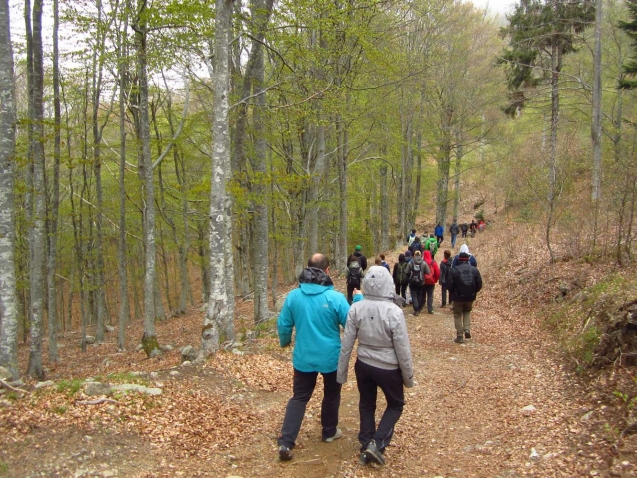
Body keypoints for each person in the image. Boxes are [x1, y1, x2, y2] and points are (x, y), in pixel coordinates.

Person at [337, 266, 414, 466]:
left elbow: (347, 343)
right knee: (396, 404)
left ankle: (366, 442)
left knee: (367, 403)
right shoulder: (394, 312)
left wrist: (342, 373)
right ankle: (377, 443)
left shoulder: (356, 308)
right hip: (388, 368)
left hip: (363, 364)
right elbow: (402, 348)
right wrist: (408, 378)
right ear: (389, 283)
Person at [277, 254, 350, 461]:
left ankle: (286, 441)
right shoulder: (335, 298)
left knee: (299, 397)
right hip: (331, 358)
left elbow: (283, 325)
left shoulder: (293, 297)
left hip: (304, 357)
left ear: (307, 269)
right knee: (332, 395)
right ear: (327, 271)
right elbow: (351, 324)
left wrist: (285, 342)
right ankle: (328, 432)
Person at [448, 252, 483, 343]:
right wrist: (473, 292)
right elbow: (479, 284)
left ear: (459, 260)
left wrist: (453, 294)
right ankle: (467, 329)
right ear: (468, 260)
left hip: (457, 297)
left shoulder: (454, 270)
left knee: (457, 315)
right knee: (467, 312)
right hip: (470, 297)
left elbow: (450, 285)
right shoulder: (474, 270)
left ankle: (459, 335)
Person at [404, 250, 430, 316]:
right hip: (421, 282)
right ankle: (419, 307)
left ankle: (416, 309)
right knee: (420, 294)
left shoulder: (411, 263)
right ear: (421, 255)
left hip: (412, 282)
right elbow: (428, 272)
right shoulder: (424, 263)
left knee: (414, 295)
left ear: (414, 255)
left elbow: (406, 271)